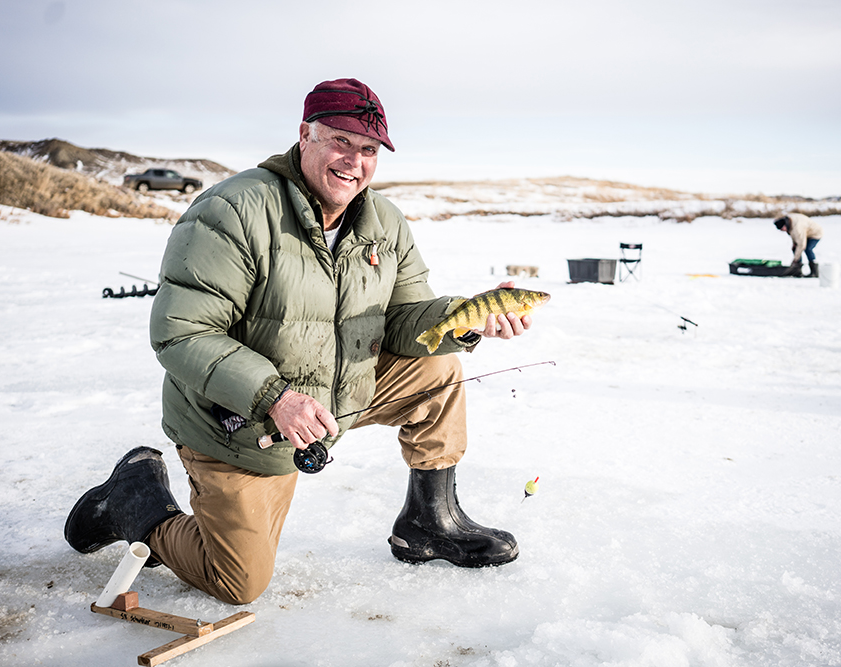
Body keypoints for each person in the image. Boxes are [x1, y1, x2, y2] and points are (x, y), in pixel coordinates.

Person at [64, 78, 537, 605]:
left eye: (369, 150)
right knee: (238, 582)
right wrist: (276, 398)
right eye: (340, 141)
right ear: (304, 136)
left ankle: (430, 520)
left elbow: (403, 321)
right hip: (242, 423)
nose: (353, 162)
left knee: (439, 370)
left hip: (337, 398)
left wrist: (462, 319)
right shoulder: (233, 211)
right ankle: (136, 501)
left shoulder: (384, 220)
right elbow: (182, 333)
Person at [774, 213, 823, 278]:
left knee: (808, 249)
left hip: (815, 233)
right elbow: (795, 236)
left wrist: (795, 259)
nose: (782, 231)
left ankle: (814, 271)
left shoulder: (797, 227)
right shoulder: (789, 222)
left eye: (782, 229)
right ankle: (797, 270)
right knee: (795, 248)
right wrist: (794, 244)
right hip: (805, 233)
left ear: (784, 225)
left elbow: (801, 245)